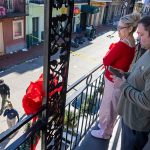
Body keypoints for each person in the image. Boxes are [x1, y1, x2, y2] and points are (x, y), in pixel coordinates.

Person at [91, 13, 141, 139]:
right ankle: (107, 129)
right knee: (113, 107)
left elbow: (106, 60)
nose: (118, 30)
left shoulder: (122, 44)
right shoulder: (132, 42)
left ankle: (104, 133)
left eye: (120, 28)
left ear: (130, 29)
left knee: (107, 107)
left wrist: (111, 51)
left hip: (113, 80)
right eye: (118, 27)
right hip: (119, 79)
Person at [114, 15, 150, 150]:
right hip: (129, 117)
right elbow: (140, 76)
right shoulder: (147, 51)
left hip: (136, 124)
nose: (138, 38)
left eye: (141, 34)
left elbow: (147, 101)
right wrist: (126, 75)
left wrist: (123, 85)